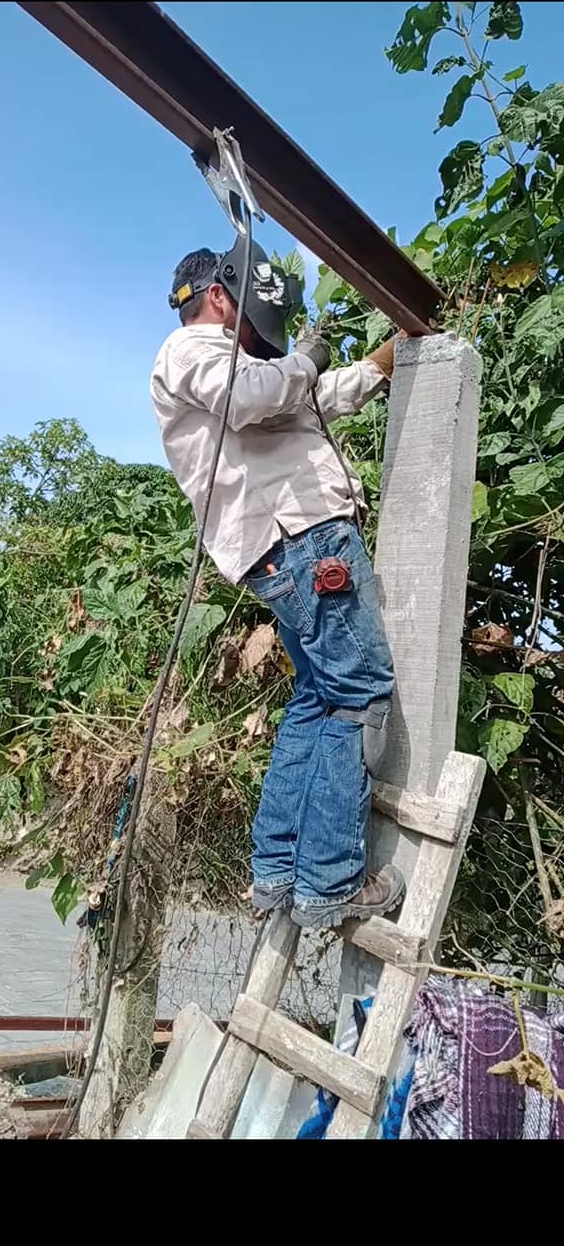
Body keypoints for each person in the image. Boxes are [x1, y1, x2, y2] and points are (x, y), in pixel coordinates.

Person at [150, 237, 405, 930]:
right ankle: (330, 882)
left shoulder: (244, 370)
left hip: (284, 549)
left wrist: (382, 361)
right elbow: (262, 392)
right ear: (217, 296)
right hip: (306, 539)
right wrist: (306, 356)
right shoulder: (193, 353)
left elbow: (311, 397)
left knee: (317, 698)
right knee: (362, 696)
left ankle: (278, 873)